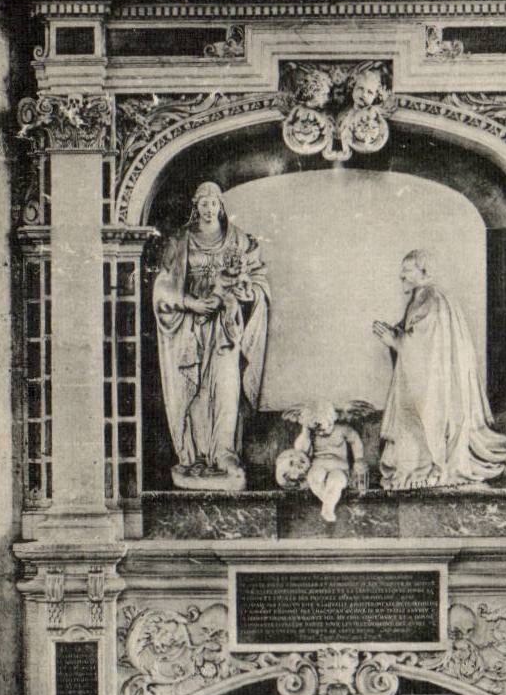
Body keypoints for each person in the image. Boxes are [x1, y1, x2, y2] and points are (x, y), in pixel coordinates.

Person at [372, 250, 506, 490]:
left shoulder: (433, 298)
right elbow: (416, 336)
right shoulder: (420, 297)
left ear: (423, 271)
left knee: (425, 419)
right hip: (416, 381)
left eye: (406, 270)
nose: (401, 276)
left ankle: (428, 468)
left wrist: (395, 340)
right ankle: (417, 469)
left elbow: (426, 347)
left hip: (432, 384)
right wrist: (395, 334)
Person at [153, 182, 269, 487]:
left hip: (225, 329)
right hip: (189, 329)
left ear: (221, 205)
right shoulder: (180, 241)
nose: (208, 208)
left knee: (227, 387)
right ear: (195, 205)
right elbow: (162, 285)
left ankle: (225, 453)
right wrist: (189, 302)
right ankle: (197, 458)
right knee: (196, 392)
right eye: (202, 202)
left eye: (213, 202)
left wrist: (245, 293)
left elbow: (257, 282)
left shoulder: (239, 239)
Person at [276, 401, 369, 523]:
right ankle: (328, 502)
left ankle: (328, 506)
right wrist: (305, 430)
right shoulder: (312, 434)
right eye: (316, 430)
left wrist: (359, 459)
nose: (320, 433)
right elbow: (300, 450)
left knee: (335, 481)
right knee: (314, 478)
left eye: (323, 428)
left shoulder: (342, 430)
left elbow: (355, 441)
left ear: (331, 419)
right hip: (318, 466)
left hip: (340, 468)